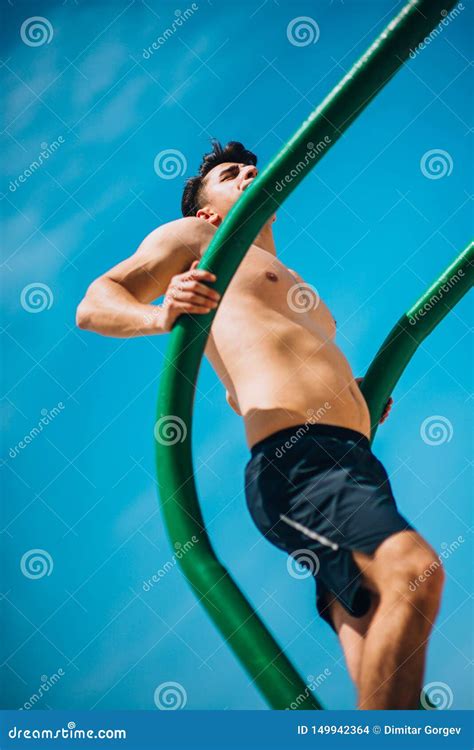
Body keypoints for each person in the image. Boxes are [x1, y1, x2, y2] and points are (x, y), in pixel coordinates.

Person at [76, 140, 444, 709]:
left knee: (376, 648)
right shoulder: (198, 242)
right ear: (206, 212)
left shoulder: (290, 278)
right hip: (300, 462)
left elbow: (262, 367)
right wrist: (161, 313)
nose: (250, 173)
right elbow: (96, 302)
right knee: (414, 572)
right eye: (231, 174)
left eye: (254, 168)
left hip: (355, 459)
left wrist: (356, 407)